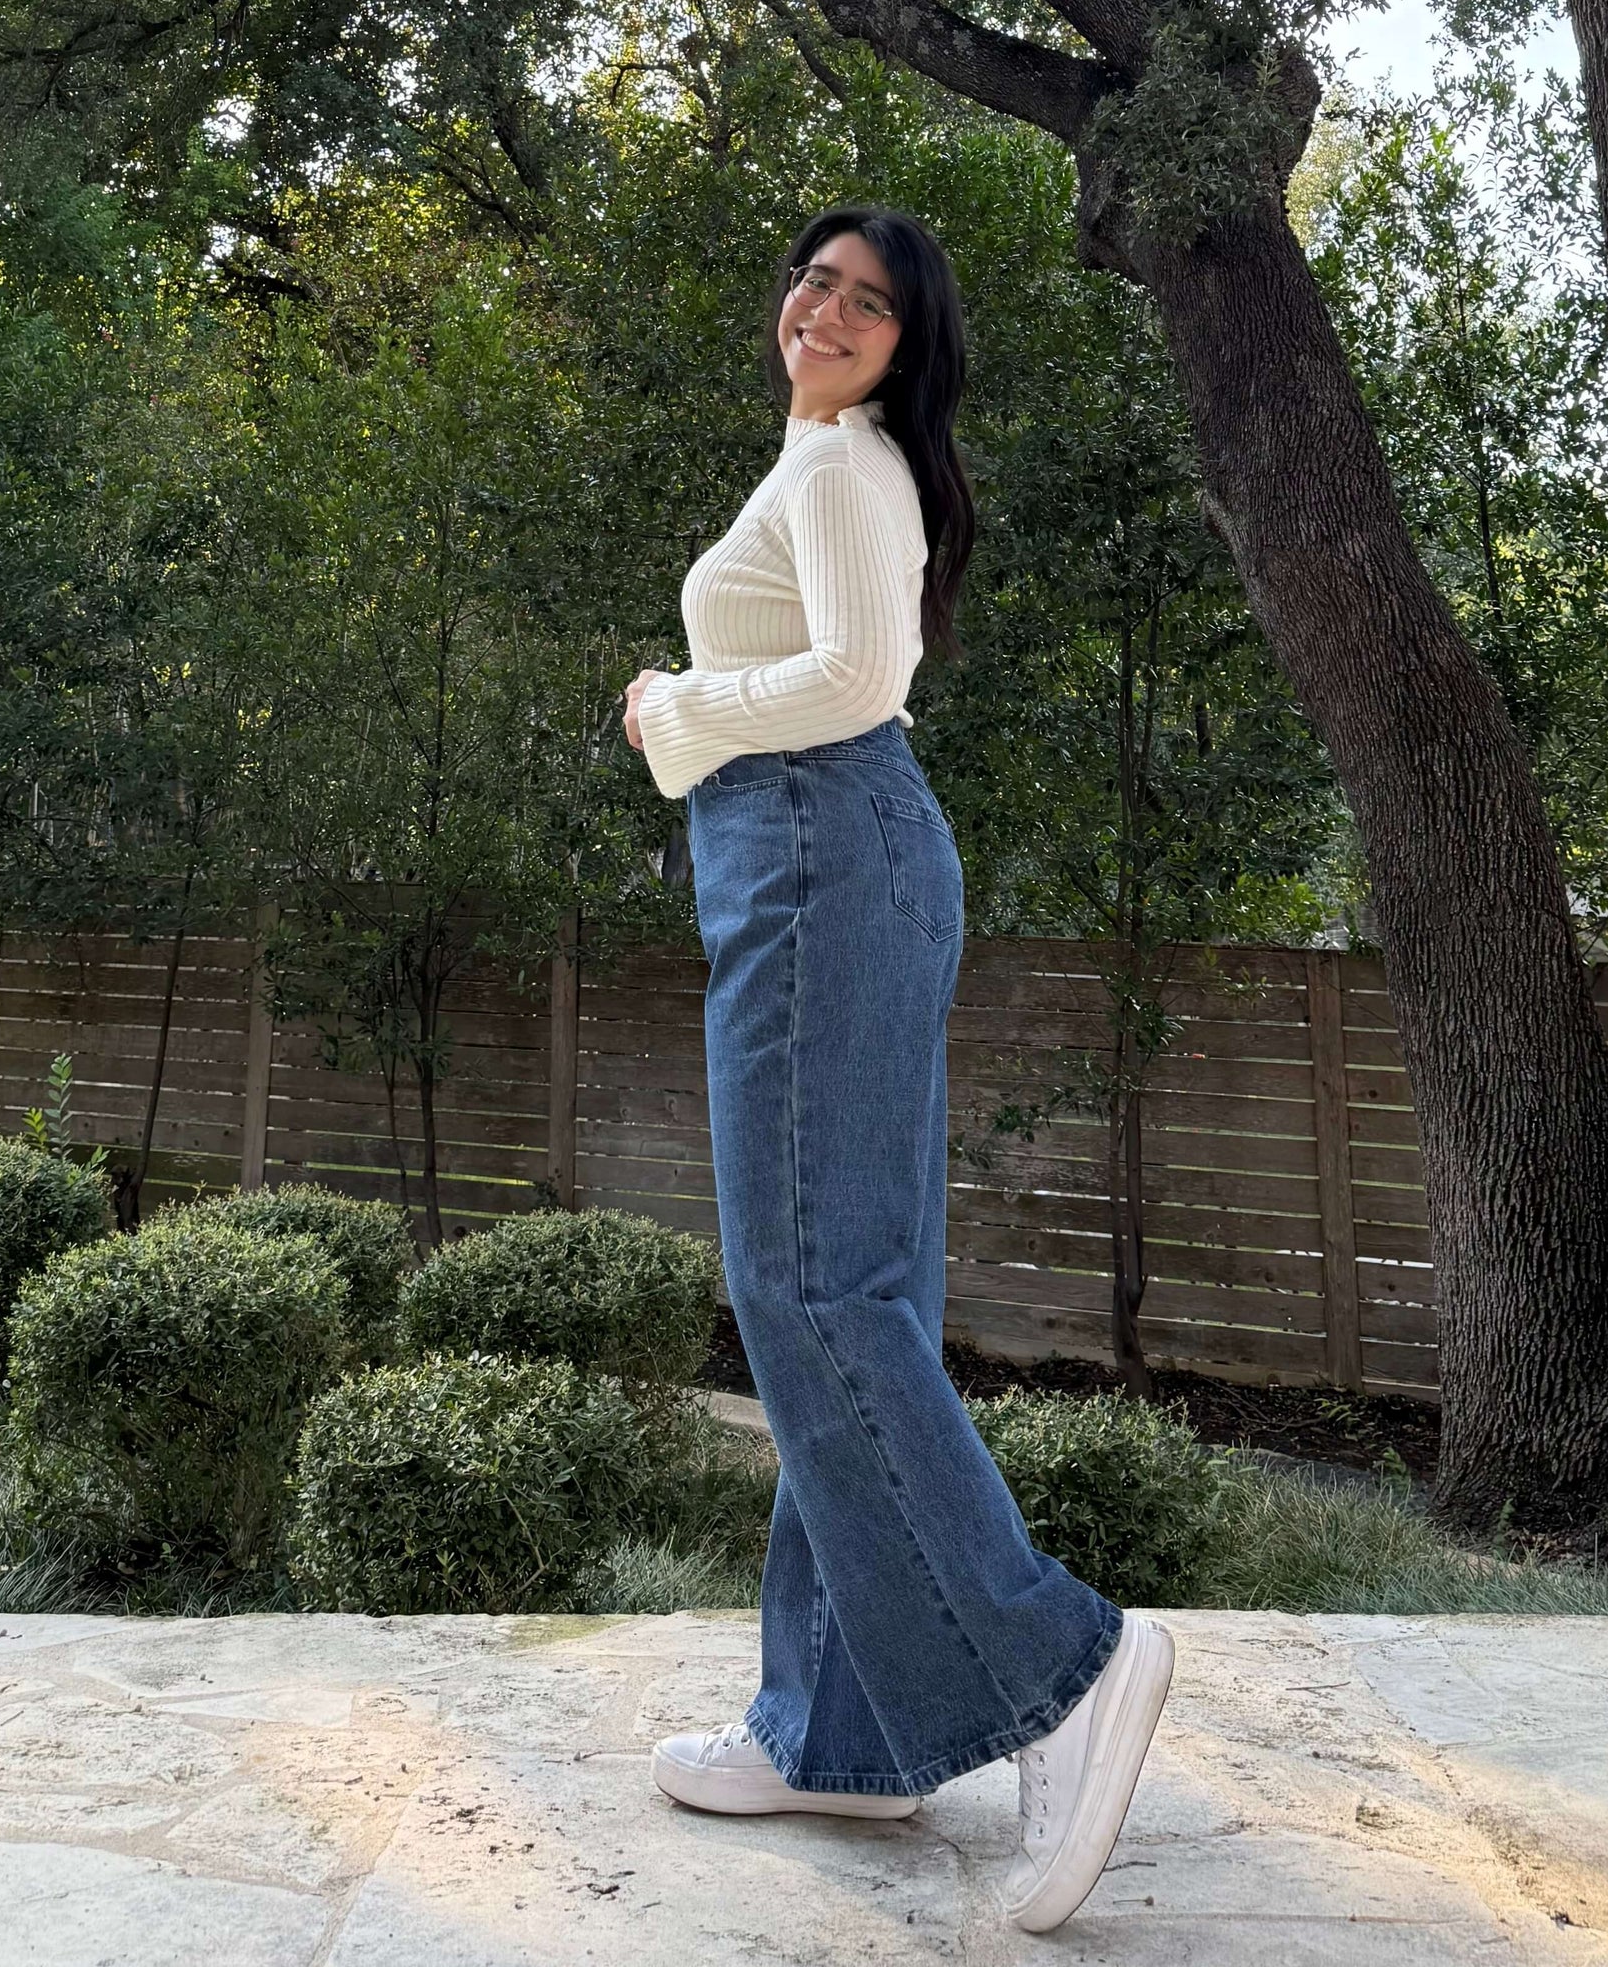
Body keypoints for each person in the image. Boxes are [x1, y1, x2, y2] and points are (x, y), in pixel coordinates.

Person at [620, 203, 1174, 1935]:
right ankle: (845, 1736)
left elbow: (862, 675)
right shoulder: (818, 466)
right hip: (825, 856)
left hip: (817, 852)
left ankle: (1060, 1671)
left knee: (811, 1289)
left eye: (871, 301)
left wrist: (677, 710)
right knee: (845, 1289)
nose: (830, 309)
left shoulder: (849, 469)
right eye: (816, 279)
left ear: (907, 344)